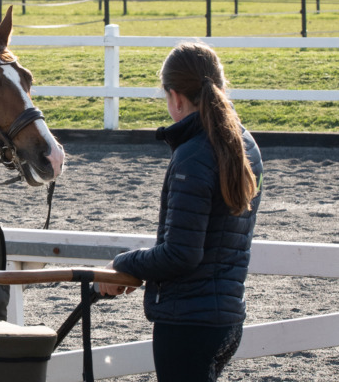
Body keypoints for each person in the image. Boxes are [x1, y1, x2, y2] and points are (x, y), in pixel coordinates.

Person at [98, 41, 264, 382]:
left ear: (175, 97)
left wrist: (122, 263)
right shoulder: (245, 145)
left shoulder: (193, 155)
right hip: (228, 319)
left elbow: (181, 254)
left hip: (188, 321)